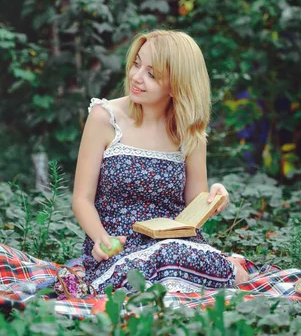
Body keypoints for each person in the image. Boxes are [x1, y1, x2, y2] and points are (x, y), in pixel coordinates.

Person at [72, 29, 249, 293]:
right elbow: (81, 199)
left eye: (151, 74)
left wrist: (212, 199)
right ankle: (211, 272)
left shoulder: (190, 133)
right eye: (136, 64)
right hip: (118, 249)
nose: (136, 77)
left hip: (175, 245)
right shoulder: (104, 117)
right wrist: (101, 240)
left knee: (172, 254)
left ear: (178, 86)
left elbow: (193, 207)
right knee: (139, 270)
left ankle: (216, 269)